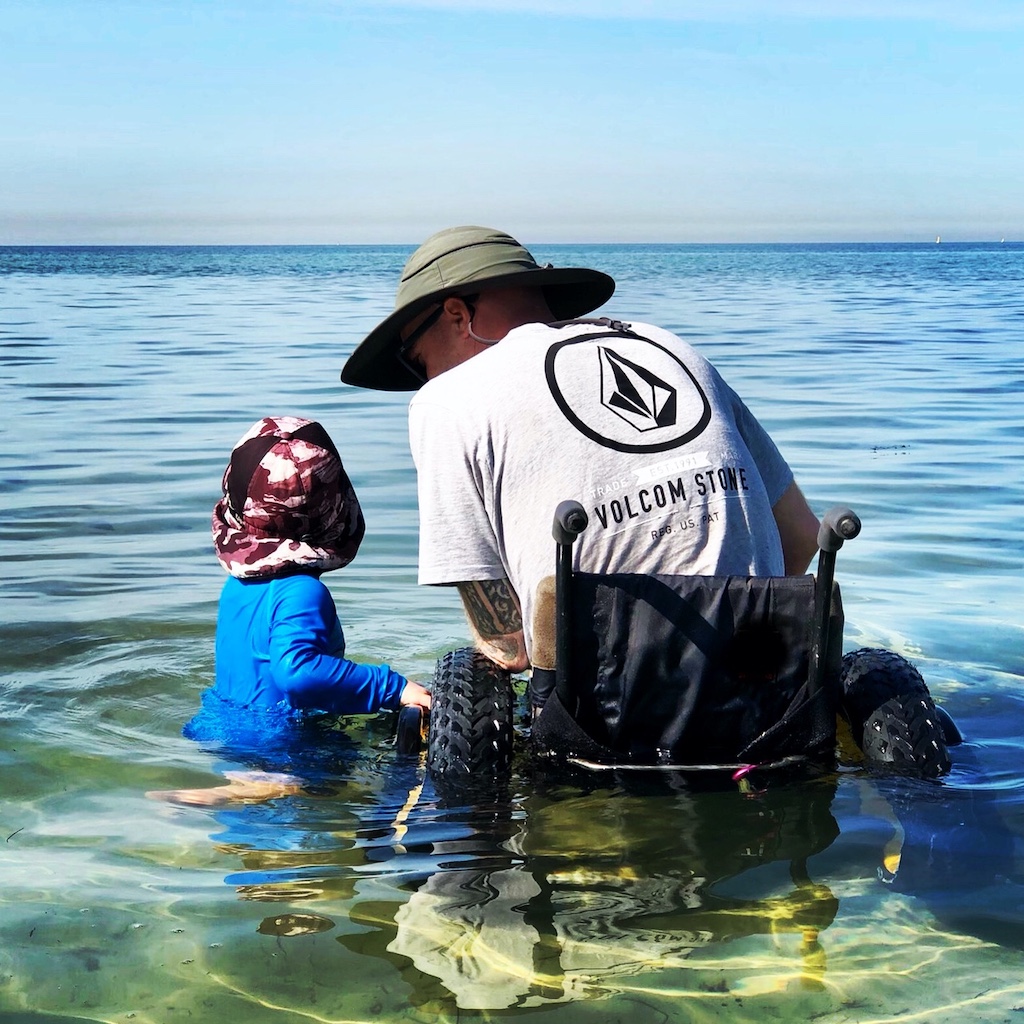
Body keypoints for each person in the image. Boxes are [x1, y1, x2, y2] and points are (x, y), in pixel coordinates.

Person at [341, 226, 820, 677]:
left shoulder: (446, 400)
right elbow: (801, 534)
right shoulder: (667, 345)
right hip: (766, 671)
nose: (422, 379)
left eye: (416, 360)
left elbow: (510, 647)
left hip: (608, 703)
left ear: (457, 314)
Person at [183, 415, 430, 752]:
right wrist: (394, 688)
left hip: (225, 727)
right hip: (285, 746)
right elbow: (298, 672)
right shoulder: (303, 591)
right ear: (336, 509)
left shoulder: (238, 584)